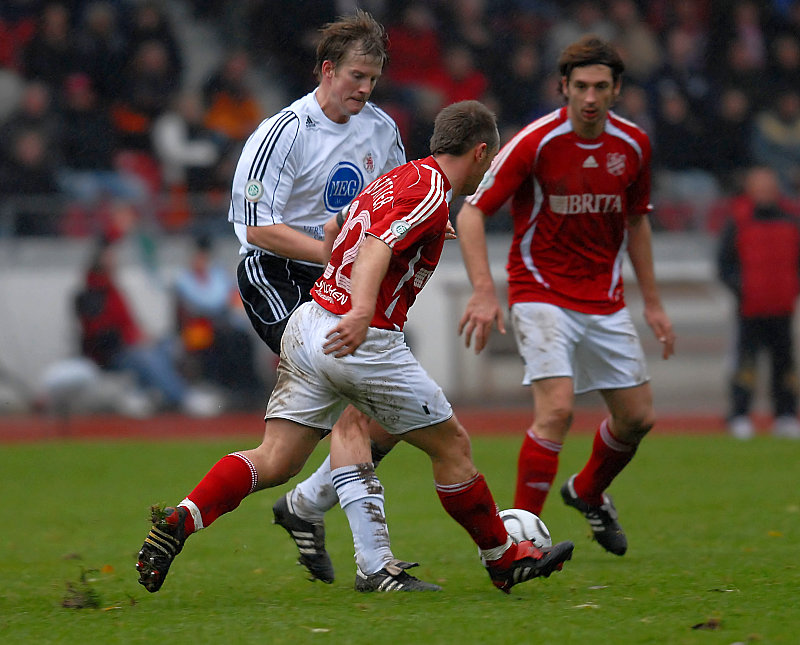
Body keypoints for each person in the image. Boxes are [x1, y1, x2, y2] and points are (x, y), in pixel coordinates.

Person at [135, 100, 574, 596]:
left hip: (310, 322)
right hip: (361, 339)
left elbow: (335, 228)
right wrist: (362, 310)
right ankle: (502, 559)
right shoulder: (432, 192)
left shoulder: (399, 178)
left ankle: (183, 517)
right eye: (489, 159)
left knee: (276, 458)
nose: (488, 168)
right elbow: (376, 247)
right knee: (451, 446)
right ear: (479, 152)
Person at [455, 36, 676, 557]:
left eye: (600, 87)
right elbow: (471, 212)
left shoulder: (634, 146)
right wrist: (484, 291)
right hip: (540, 289)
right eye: (581, 87)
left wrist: (653, 302)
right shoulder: (535, 142)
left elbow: (637, 222)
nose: (590, 97)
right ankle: (515, 546)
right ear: (564, 88)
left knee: (637, 418)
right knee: (555, 410)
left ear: (617, 90)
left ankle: (587, 491)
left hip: (604, 297)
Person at [228, 10, 407, 585]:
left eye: (373, 79)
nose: (365, 88)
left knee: (393, 415)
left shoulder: (381, 130)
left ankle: (303, 505)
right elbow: (256, 228)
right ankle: (375, 565)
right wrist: (332, 252)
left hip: (340, 280)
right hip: (276, 277)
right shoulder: (283, 132)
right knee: (356, 399)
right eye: (356, 75)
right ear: (327, 70)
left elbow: (398, 204)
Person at [74, 235, 221, 417]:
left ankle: (159, 392)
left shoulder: (114, 289)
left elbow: (129, 323)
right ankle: (183, 397)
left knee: (169, 345)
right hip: (113, 353)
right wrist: (132, 341)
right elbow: (100, 334)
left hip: (132, 344)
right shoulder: (91, 295)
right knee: (146, 357)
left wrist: (143, 337)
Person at [717, 166, 800, 440]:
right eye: (759, 185)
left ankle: (786, 414)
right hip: (749, 308)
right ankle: (740, 414)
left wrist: (791, 288)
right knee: (745, 362)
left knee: (784, 363)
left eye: (768, 185)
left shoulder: (792, 218)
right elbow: (724, 264)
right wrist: (742, 289)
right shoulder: (738, 219)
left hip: (782, 306)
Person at [173, 235, 265, 410]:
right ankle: (228, 387)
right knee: (225, 339)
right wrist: (220, 305)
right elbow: (206, 302)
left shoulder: (217, 274)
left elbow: (229, 298)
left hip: (221, 323)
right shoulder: (184, 279)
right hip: (197, 328)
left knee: (242, 338)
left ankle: (246, 387)